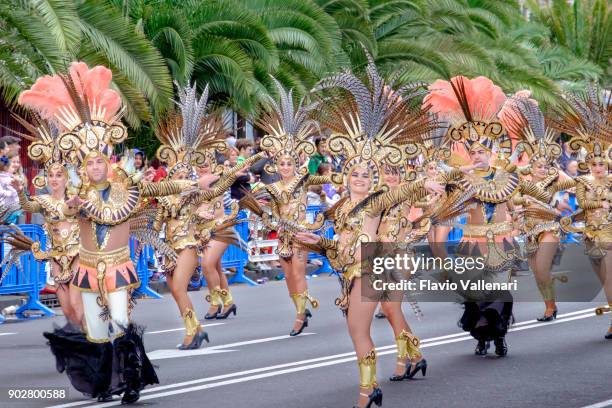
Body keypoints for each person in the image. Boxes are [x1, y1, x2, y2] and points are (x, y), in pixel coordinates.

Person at [18, 61, 215, 403]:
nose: (95, 166)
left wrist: (196, 182)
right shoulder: (78, 198)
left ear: (108, 159)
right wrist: (66, 202)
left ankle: (133, 382)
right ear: (81, 165)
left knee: (121, 325)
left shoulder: (130, 187)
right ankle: (106, 383)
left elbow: (162, 188)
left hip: (119, 266)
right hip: (88, 268)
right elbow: (62, 209)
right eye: (89, 162)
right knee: (96, 331)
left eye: (99, 161)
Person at [295, 55, 445, 408]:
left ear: (373, 179)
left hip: (376, 267)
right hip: (351, 270)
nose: (359, 179)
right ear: (347, 177)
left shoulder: (377, 202)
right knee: (358, 330)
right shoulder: (342, 207)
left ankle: (370, 390)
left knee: (369, 326)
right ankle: (386, 375)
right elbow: (340, 248)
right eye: (355, 174)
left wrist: (424, 182)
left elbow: (401, 193)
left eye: (366, 175)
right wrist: (316, 242)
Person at [424, 75, 552, 357]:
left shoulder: (507, 176)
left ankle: (499, 336)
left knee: (499, 292)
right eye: (472, 151)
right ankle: (482, 337)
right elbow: (443, 198)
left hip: (503, 241)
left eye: (482, 150)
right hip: (473, 243)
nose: (477, 155)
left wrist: (543, 205)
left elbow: (530, 193)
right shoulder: (461, 180)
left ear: (491, 151)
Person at [243, 79, 330, 336]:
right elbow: (261, 206)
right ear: (276, 166)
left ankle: (300, 316)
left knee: (299, 275)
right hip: (283, 236)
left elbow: (326, 179)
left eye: (289, 164)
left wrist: (341, 176)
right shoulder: (271, 188)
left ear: (295, 164)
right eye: (281, 164)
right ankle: (301, 307)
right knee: (289, 278)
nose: (285, 168)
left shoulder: (304, 180)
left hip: (301, 235)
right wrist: (265, 217)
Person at [501, 95, 574, 322]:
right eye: (539, 165)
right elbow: (509, 193)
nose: (543, 169)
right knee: (537, 273)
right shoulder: (522, 180)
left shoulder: (555, 177)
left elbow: (576, 185)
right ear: (531, 165)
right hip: (528, 230)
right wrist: (516, 212)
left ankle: (550, 308)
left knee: (542, 268)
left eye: (546, 165)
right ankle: (550, 306)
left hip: (549, 227)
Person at [9, 112, 83, 329]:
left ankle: (91, 343)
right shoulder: (43, 199)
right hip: (56, 256)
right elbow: (28, 207)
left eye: (58, 175)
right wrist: (21, 191)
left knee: (77, 304)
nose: (54, 179)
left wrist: (79, 206)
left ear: (66, 178)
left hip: (78, 254)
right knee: (67, 310)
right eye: (51, 175)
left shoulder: (75, 198)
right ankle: (79, 345)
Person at [555, 86, 611, 339]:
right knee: (602, 279)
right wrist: (598, 204)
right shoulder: (583, 181)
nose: (598, 167)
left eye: (602, 163)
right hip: (589, 233)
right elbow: (581, 202)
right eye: (594, 163)